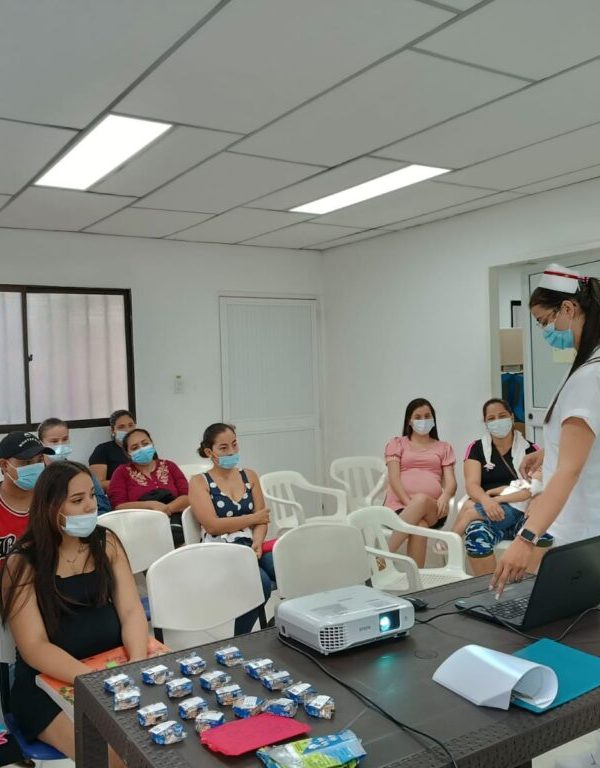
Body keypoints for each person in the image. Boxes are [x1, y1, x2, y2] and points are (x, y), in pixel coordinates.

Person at [1, 461, 148, 762]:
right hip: (48, 685)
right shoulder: (24, 562)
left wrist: (134, 662)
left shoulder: (105, 542)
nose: (90, 507)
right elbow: (34, 647)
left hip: (114, 666)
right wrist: (93, 679)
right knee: (113, 757)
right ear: (50, 507)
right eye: (77, 500)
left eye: (92, 496)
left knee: (159, 739)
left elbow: (132, 610)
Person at [493, 263, 600, 594]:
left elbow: (569, 472)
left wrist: (526, 538)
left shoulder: (588, 378)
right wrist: (547, 455)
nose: (545, 331)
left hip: (582, 533)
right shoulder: (590, 368)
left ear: (568, 308)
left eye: (544, 321)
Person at [189, 423, 273, 635]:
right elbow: (213, 526)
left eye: (234, 444)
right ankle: (240, 638)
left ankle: (280, 625)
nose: (232, 452)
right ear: (210, 452)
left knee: (281, 567)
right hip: (219, 550)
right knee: (260, 582)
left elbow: (263, 520)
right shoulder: (200, 482)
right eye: (224, 448)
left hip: (250, 544)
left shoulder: (250, 476)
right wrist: (252, 518)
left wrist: (257, 542)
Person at [460, 398, 553, 576]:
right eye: (491, 418)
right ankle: (489, 590)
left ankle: (526, 587)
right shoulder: (476, 448)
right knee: (475, 535)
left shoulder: (531, 449)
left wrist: (537, 501)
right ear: (485, 423)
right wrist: (486, 501)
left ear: (511, 417)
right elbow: (471, 484)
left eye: (502, 416)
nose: (497, 421)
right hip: (490, 511)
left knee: (544, 532)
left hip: (521, 511)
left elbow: (540, 483)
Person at [383, 398, 457, 567]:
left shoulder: (444, 447)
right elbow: (394, 478)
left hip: (434, 509)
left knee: (422, 500)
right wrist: (413, 506)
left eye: (427, 416)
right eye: (418, 417)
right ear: (409, 421)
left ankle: (382, 559)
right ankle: (416, 583)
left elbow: (451, 482)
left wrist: (445, 496)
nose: (423, 420)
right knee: (419, 524)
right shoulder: (397, 443)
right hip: (398, 506)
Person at [108, 428, 188, 545]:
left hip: (178, 528)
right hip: (139, 531)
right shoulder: (121, 472)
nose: (142, 449)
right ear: (127, 453)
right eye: (135, 448)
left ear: (152, 444)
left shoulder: (170, 466)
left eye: (145, 444)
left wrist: (166, 510)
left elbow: (188, 496)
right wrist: (150, 505)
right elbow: (118, 506)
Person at [38, 417, 111, 513]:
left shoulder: (82, 472)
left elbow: (103, 507)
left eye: (65, 439)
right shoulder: (34, 475)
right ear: (41, 443)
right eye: (54, 441)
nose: (61, 444)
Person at [0, 432, 53, 562]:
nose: (35, 467)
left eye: (40, 460)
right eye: (27, 462)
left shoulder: (51, 500)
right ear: (4, 465)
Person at [89, 409, 136, 491]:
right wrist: (129, 483)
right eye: (121, 427)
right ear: (113, 430)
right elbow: (97, 483)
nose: (127, 430)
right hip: (118, 495)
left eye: (130, 425)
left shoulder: (144, 449)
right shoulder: (103, 450)